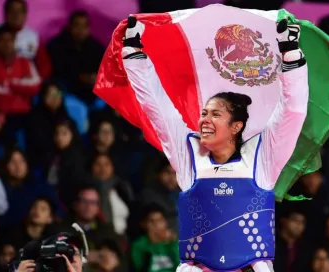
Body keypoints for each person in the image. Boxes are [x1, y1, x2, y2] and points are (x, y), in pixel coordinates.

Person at [120, 13, 308, 272]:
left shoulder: (261, 159)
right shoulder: (189, 154)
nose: (205, 120)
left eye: (215, 114)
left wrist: (291, 57)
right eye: (204, 113)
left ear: (235, 127)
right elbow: (158, 108)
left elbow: (293, 112)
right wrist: (133, 56)